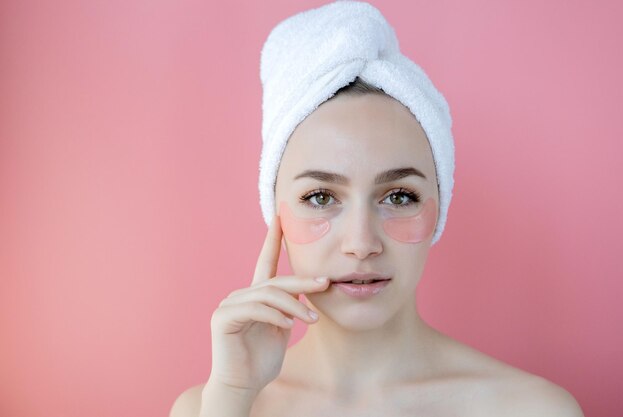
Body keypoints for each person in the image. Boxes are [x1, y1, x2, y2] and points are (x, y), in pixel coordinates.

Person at [170, 2, 584, 416]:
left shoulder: (532, 408)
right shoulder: (211, 406)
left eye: (399, 197)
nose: (361, 244)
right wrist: (232, 397)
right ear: (274, 213)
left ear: (439, 209)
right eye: (321, 198)